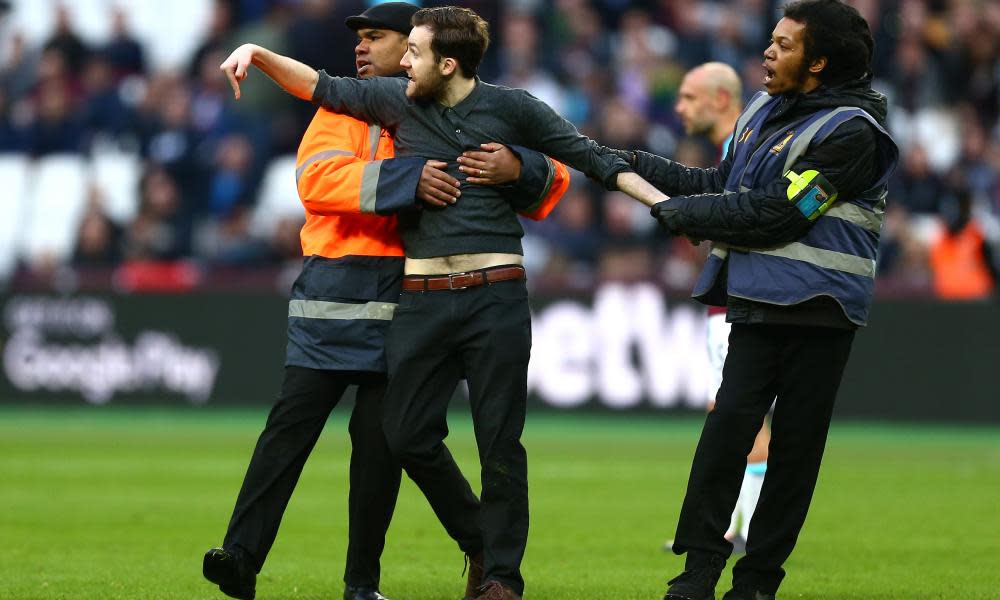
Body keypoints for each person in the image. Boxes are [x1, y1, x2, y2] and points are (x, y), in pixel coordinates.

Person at [219, 7, 667, 599]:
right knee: (293, 431)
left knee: (382, 447)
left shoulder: (462, 105)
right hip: (335, 299)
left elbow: (555, 176)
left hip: (410, 298)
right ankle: (241, 557)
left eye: (378, 39)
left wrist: (517, 166)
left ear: (424, 51)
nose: (363, 48)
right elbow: (316, 184)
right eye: (360, 39)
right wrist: (409, 181)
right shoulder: (343, 111)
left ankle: (364, 584)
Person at [611, 2, 899, 598]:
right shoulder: (763, 110)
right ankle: (696, 574)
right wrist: (633, 166)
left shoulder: (853, 134)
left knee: (792, 451)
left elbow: (783, 214)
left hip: (821, 310)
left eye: (785, 45)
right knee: (725, 437)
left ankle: (758, 582)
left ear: (818, 62)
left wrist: (680, 214)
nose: (768, 51)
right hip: (755, 299)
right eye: (771, 40)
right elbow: (722, 187)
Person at [669, 62, 770, 555]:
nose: (679, 107)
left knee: (735, 413)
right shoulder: (735, 148)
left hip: (737, 300)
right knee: (734, 413)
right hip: (734, 297)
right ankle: (737, 525)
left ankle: (745, 531)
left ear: (721, 99)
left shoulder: (742, 149)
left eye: (689, 97)